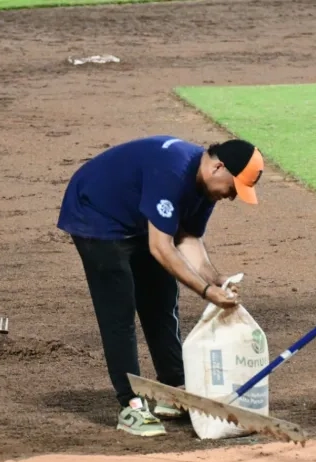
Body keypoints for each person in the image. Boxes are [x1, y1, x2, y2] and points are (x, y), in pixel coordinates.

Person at [56, 135, 265, 437]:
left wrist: (214, 278)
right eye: (234, 188)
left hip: (138, 219)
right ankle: (130, 404)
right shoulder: (172, 171)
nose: (232, 196)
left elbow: (188, 238)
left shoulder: (206, 188)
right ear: (219, 167)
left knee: (161, 302)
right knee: (119, 311)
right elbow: (162, 248)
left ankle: (173, 389)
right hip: (97, 214)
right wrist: (206, 292)